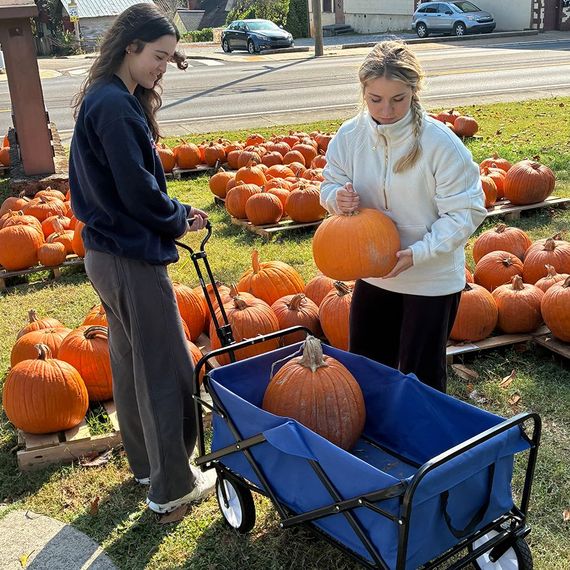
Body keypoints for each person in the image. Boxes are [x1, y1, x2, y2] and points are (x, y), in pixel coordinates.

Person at [69, 3, 214, 514]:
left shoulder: (109, 98)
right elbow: (138, 194)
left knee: (130, 364)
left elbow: (131, 187)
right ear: (130, 46)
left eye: (170, 58)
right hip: (128, 256)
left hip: (107, 252)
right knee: (164, 367)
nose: (162, 66)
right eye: (158, 55)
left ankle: (146, 467)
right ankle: (172, 485)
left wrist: (174, 210)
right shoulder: (113, 105)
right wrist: (176, 217)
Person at [320, 40, 486, 393]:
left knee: (420, 377)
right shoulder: (350, 136)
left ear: (414, 90)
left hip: (430, 276)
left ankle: (423, 447)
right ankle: (377, 438)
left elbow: (465, 210)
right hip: (375, 270)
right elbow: (330, 181)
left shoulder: (440, 143)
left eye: (398, 99)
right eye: (375, 99)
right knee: (367, 366)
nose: (387, 110)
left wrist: (419, 253)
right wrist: (338, 198)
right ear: (363, 92)